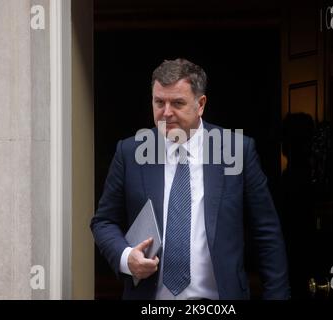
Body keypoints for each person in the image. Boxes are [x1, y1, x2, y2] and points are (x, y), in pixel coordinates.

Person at [90, 58, 290, 300]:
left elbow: (266, 232)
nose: (166, 113)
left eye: (177, 103)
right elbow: (103, 222)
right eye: (159, 102)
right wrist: (126, 257)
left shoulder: (236, 150)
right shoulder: (130, 152)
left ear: (201, 104)